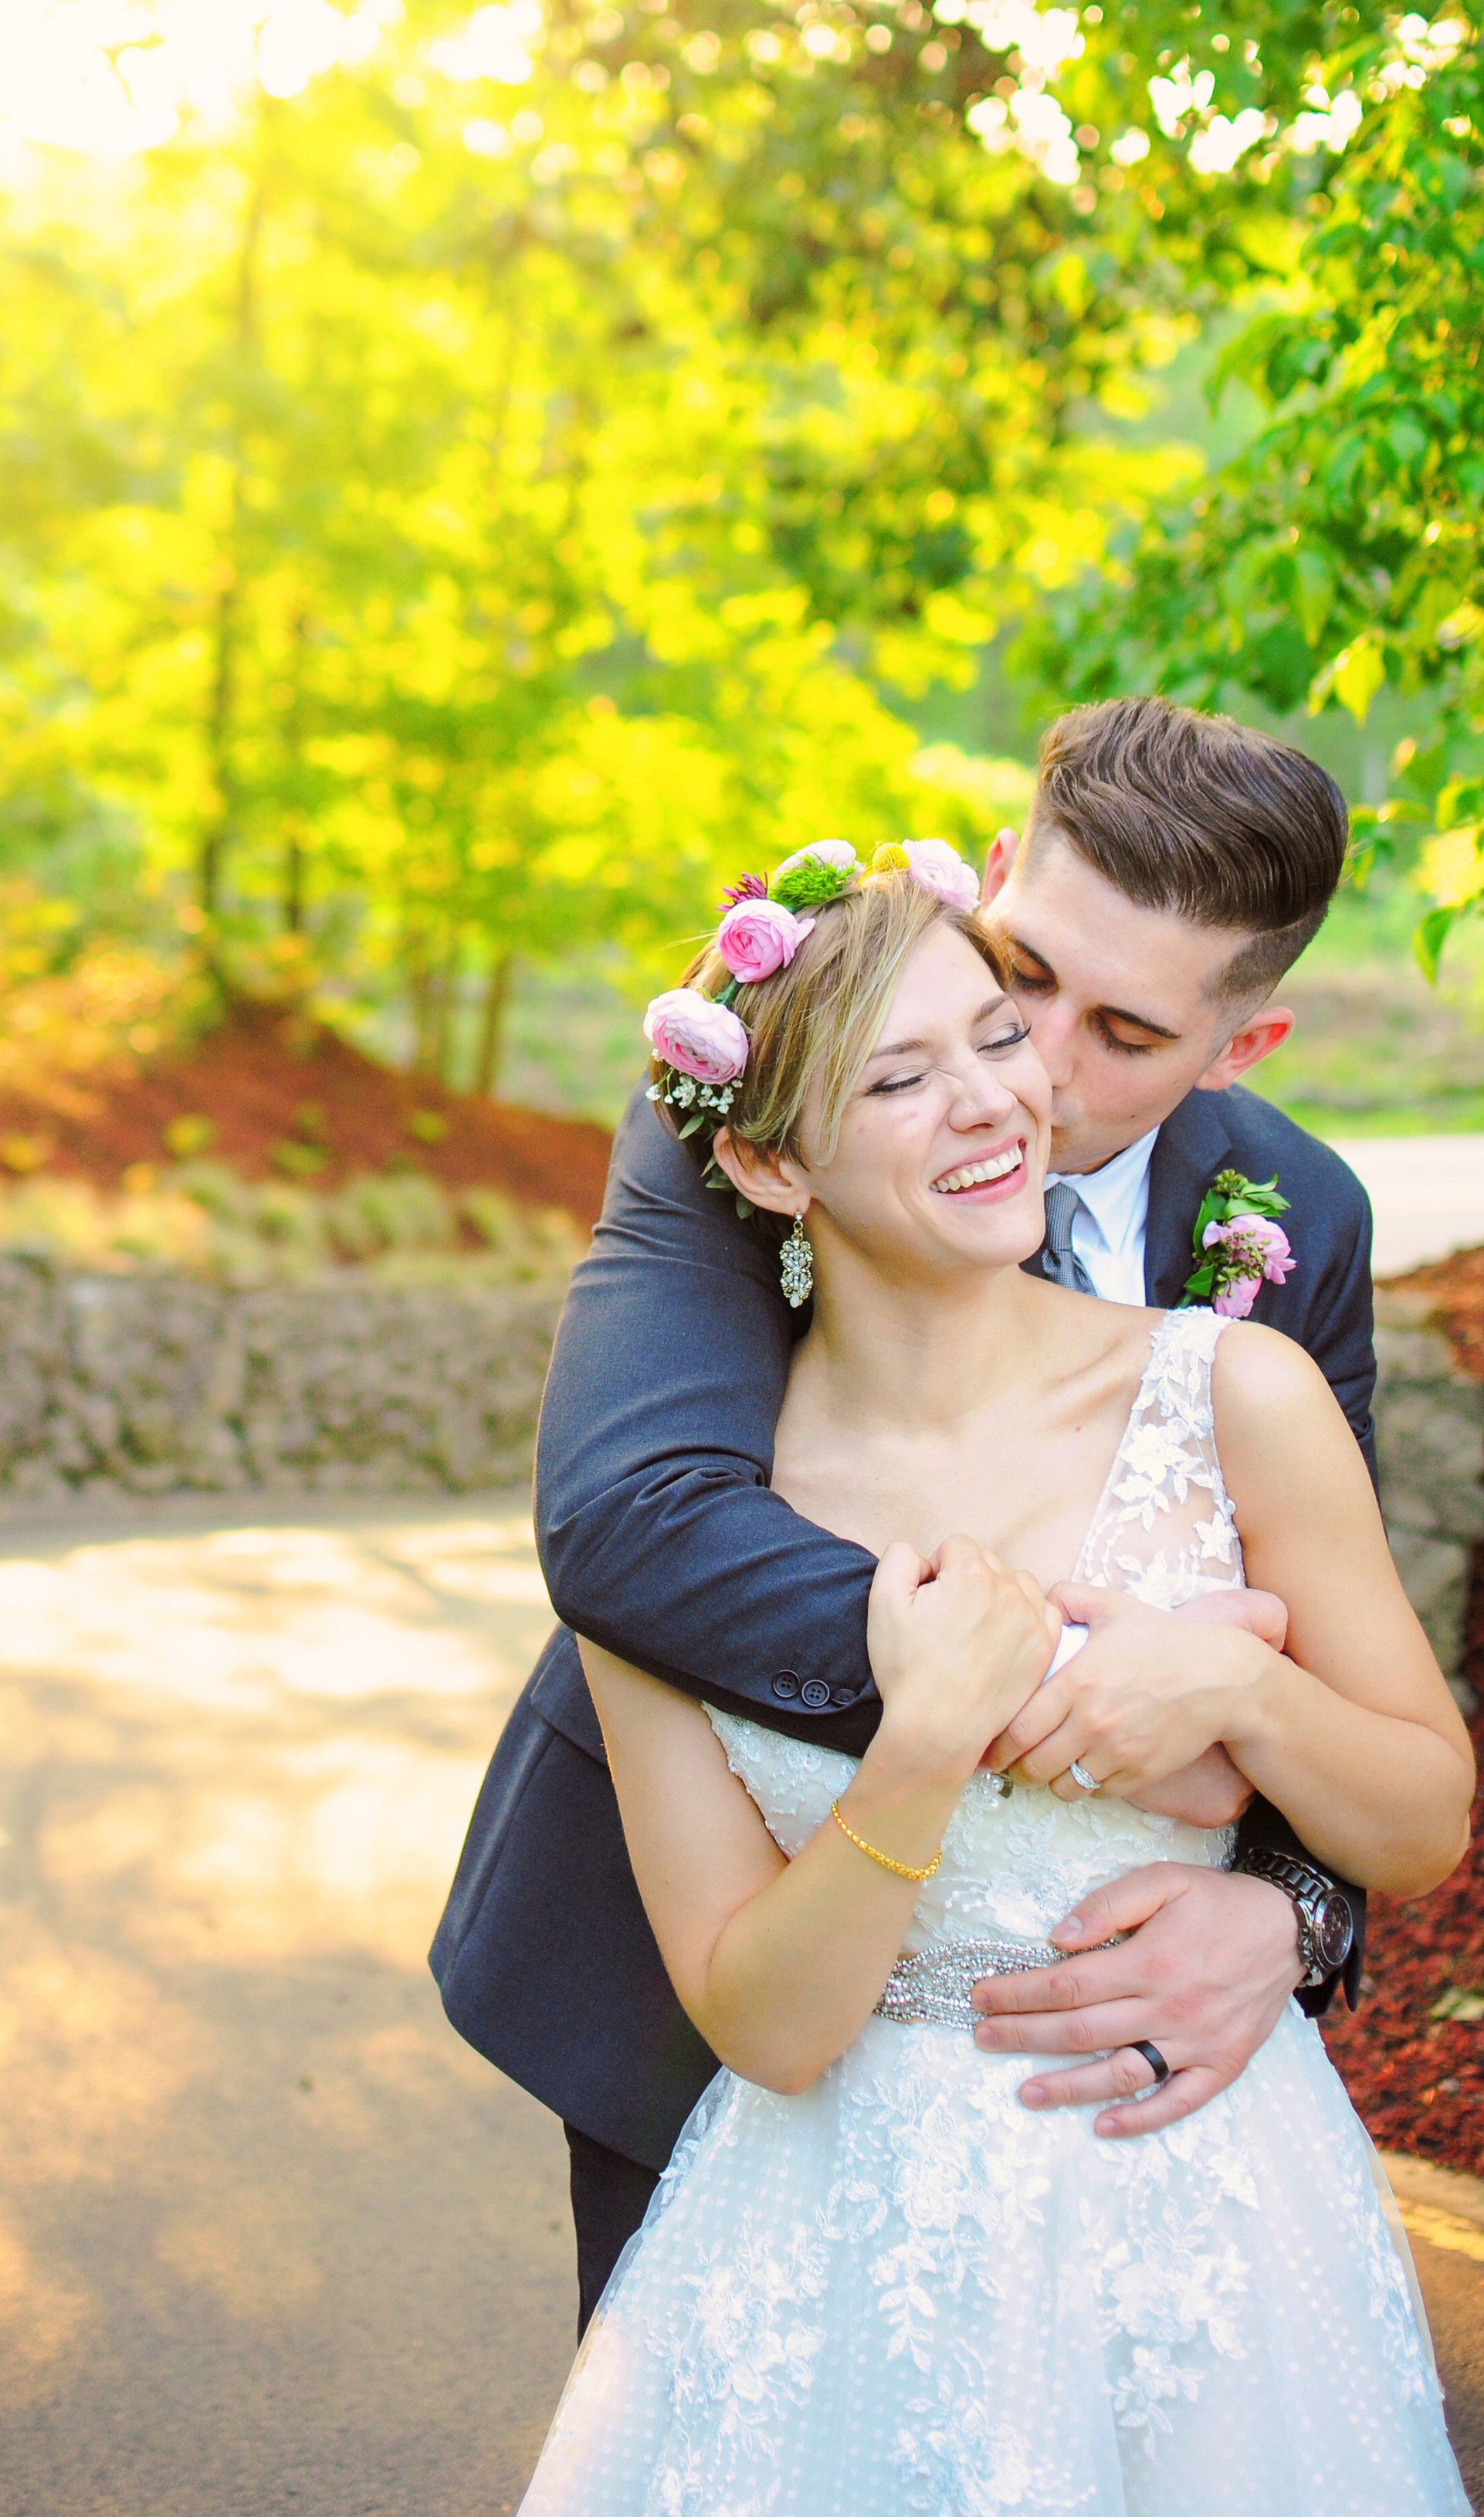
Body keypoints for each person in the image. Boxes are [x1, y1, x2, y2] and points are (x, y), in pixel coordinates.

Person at [516, 853, 1472, 2512]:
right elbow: (770, 2026)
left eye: (993, 1037)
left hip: (1206, 2229)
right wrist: (930, 1741)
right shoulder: (678, 1535)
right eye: (897, 1077)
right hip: (834, 2252)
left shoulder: (1232, 1391)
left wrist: (1238, 1699)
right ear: (762, 1159)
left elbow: (1420, 1820)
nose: (992, 1103)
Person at [432, 701, 1386, 2336]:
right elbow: (630, 1524)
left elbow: (1327, 1644)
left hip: (1102, 2050)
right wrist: (1073, 1702)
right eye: (1020, 974)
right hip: (711, 1949)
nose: (1037, 1078)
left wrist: (1286, 1909)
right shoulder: (765, 1092)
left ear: (1241, 1048)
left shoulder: (1298, 1214)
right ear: (995, 877)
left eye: (1129, 1035)